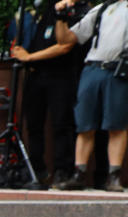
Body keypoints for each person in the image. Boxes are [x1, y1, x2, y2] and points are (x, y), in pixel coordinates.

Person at [54, 0, 128, 191]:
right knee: (84, 125)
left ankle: (113, 176)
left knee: (117, 125)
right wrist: (61, 17)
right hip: (93, 68)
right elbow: (67, 39)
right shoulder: (102, 8)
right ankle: (79, 174)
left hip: (119, 70)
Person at [11, 2, 83, 188]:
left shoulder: (79, 11)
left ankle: (62, 171)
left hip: (61, 75)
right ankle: (37, 170)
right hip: (36, 76)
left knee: (62, 125)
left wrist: (30, 57)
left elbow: (65, 45)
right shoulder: (46, 10)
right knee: (33, 125)